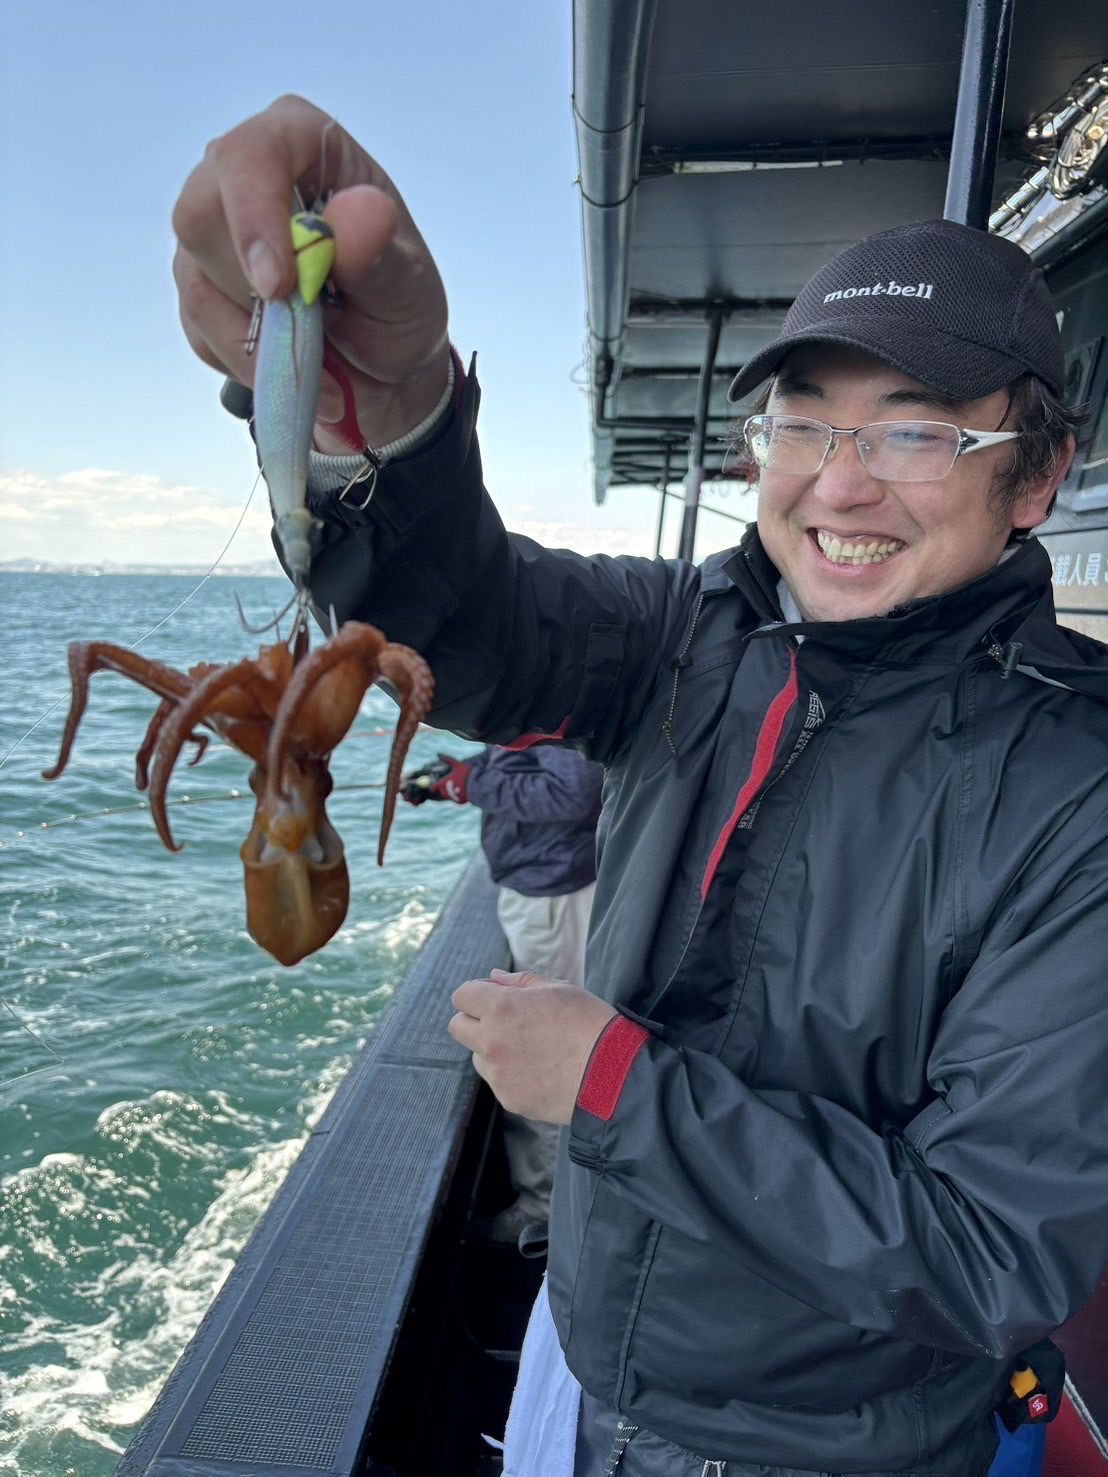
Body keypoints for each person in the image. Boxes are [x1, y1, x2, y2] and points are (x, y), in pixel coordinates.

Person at [173, 97, 1108, 1477]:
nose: (837, 486)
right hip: (581, 1356)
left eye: (914, 434)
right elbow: (465, 624)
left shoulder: (1078, 788)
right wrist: (382, 416)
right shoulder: (692, 630)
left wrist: (611, 1082)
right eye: (802, 423)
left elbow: (992, 1251)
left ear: (1036, 479)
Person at [401, 742, 603, 1249]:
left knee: (542, 1050)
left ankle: (545, 1209)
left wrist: (473, 783)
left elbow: (574, 791)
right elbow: (526, 756)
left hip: (553, 896)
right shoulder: (538, 708)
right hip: (547, 888)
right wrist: (459, 777)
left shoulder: (554, 699)